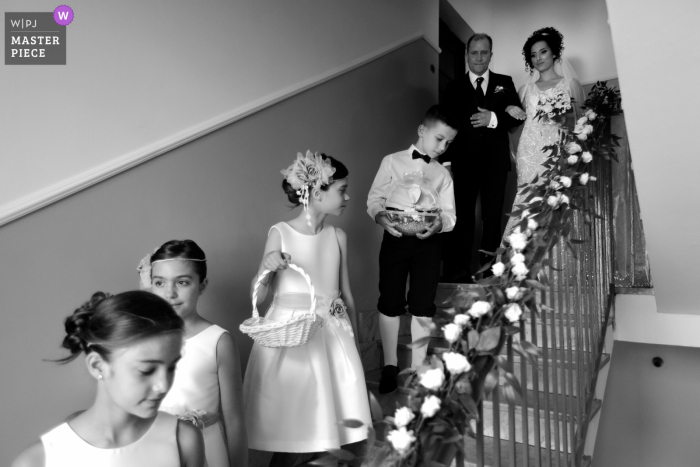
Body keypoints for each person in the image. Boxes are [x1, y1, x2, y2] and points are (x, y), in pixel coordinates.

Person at [243, 151, 370, 466]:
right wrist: (268, 268)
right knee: (296, 419)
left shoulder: (337, 236)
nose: (348, 196)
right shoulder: (280, 233)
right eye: (341, 190)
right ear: (316, 193)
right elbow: (257, 298)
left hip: (333, 335)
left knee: (332, 422)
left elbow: (346, 295)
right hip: (292, 337)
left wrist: (357, 346)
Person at [12, 291, 205, 467]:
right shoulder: (39, 461)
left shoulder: (183, 439)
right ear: (97, 365)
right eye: (147, 370)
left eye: (171, 367)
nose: (163, 386)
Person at [367, 105, 458, 393]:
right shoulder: (391, 161)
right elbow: (375, 199)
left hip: (428, 244)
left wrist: (439, 225)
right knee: (390, 300)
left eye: (449, 143)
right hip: (395, 238)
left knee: (422, 305)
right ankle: (390, 366)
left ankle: (418, 368)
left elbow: (450, 215)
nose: (443, 147)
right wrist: (380, 217)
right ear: (422, 131)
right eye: (439, 139)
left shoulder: (443, 175)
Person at [137, 240, 247, 467]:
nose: (170, 293)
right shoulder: (142, 338)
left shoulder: (218, 341)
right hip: (152, 451)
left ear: (202, 285)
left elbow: (234, 420)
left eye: (183, 282)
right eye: (160, 283)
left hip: (206, 450)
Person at [441, 33, 524, 282]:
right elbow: (446, 125)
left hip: (495, 163)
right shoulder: (454, 87)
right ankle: (460, 271)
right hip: (464, 162)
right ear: (467, 55)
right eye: (474, 53)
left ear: (491, 54)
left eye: (484, 52)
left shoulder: (505, 82)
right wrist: (446, 163)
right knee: (463, 218)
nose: (479, 57)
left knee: (492, 217)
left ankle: (488, 271)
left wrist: (494, 118)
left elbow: (517, 116)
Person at [503, 27, 585, 235]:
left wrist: (573, 153)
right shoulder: (524, 90)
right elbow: (514, 124)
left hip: (558, 153)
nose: (538, 58)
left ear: (554, 52)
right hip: (528, 153)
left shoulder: (570, 85)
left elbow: (581, 124)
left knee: (556, 200)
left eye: (543, 52)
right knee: (528, 201)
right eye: (533, 55)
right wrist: (506, 108)